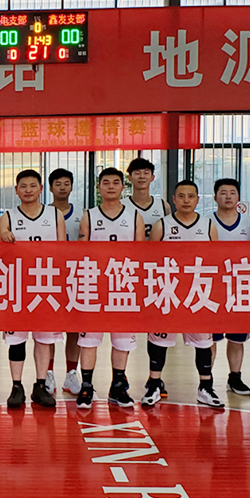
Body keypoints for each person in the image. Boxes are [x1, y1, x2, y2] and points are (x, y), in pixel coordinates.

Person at [144, 180, 222, 408]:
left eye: (191, 196)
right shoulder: (162, 225)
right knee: (159, 340)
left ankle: (206, 386)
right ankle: (154, 384)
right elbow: (150, 261)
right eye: (181, 196)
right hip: (167, 290)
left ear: (197, 199)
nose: (186, 200)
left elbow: (215, 260)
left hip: (198, 292)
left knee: (203, 342)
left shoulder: (208, 226)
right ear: (174, 199)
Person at [75, 168, 144, 409]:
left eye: (116, 182)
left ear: (123, 187)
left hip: (124, 284)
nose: (111, 186)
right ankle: (86, 386)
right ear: (99, 187)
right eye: (106, 182)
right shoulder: (89, 216)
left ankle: (118, 386)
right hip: (94, 284)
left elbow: (140, 253)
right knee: (89, 339)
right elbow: (81, 252)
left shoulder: (134, 216)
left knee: (122, 339)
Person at [0, 169, 67, 409]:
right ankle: (16, 386)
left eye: (32, 186)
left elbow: (62, 250)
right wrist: (4, 235)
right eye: (23, 186)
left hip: (46, 284)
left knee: (44, 339)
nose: (28, 190)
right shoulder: (8, 217)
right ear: (16, 190)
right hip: (17, 285)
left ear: (40, 189)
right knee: (16, 339)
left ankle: (40, 385)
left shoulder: (54, 214)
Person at [210, 178, 250, 396]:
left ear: (238, 197)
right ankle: (207, 378)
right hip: (212, 286)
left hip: (240, 285)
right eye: (223, 192)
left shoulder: (249, 224)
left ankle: (235, 377)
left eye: (232, 192)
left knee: (237, 337)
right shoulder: (207, 222)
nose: (228, 196)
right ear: (215, 197)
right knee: (210, 337)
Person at [48, 168, 83, 397]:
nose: (62, 187)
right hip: (50, 277)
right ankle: (48, 372)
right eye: (58, 183)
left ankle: (71, 373)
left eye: (66, 183)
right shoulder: (42, 213)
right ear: (50, 188)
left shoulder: (82, 214)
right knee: (48, 330)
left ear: (71, 186)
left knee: (74, 328)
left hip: (76, 276)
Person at [123, 158, 171, 239]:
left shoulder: (163, 206)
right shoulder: (122, 205)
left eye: (146, 173)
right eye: (137, 173)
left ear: (152, 177)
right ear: (130, 178)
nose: (142, 176)